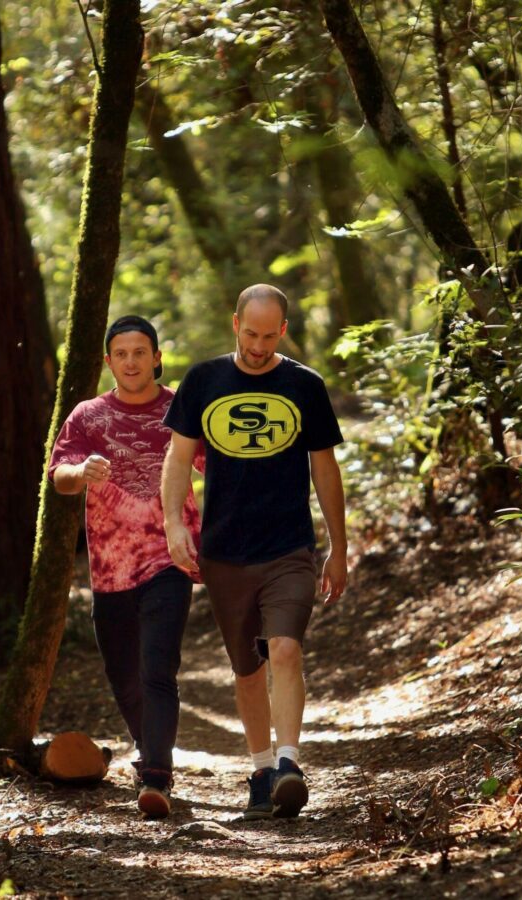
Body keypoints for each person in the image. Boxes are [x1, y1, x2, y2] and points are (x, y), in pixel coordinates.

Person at [161, 284, 347, 820]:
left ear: (282, 331)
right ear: (234, 322)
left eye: (270, 336)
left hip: (289, 547)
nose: (260, 345)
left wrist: (338, 546)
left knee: (284, 649)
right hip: (223, 551)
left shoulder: (304, 386)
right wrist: (175, 524)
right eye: (251, 333)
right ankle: (262, 771)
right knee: (246, 670)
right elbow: (177, 462)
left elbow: (324, 469)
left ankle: (290, 763)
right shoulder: (203, 380)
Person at [48, 315, 202, 820]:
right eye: (122, 353)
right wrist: (81, 470)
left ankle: (156, 773)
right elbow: (59, 476)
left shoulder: (182, 408)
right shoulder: (88, 416)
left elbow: (220, 464)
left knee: (158, 666)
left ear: (157, 357)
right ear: (108, 361)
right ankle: (148, 746)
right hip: (109, 571)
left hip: (169, 557)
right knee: (123, 673)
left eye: (141, 352)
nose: (132, 361)